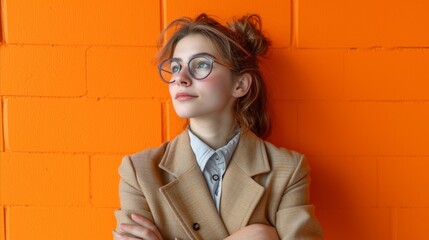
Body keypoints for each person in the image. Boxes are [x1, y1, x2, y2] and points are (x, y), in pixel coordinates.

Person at [113, 13, 323, 240]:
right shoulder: (139, 171)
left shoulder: (288, 171)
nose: (180, 78)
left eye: (201, 64)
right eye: (175, 67)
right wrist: (257, 235)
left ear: (240, 84)